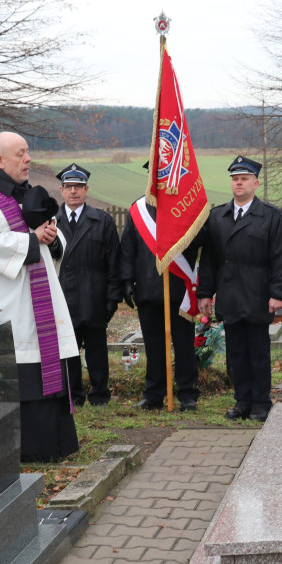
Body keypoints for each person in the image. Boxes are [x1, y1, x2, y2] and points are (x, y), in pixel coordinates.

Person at [0, 132, 79, 462]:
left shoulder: (27, 194)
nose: (28, 159)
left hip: (35, 302)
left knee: (42, 372)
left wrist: (50, 239)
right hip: (0, 305)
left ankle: (51, 445)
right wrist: (32, 239)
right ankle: (16, 451)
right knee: (15, 377)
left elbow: (50, 240)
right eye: (20, 154)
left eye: (27, 152)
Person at [197, 156, 282, 422]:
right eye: (235, 179)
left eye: (244, 179)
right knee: (236, 352)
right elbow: (209, 259)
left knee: (258, 352)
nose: (239, 183)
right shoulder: (217, 216)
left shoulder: (271, 216)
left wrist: (278, 293)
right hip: (229, 293)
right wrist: (205, 292)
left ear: (255, 183)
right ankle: (242, 401)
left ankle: (261, 403)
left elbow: (280, 258)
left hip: (258, 293)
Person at [120, 163, 201, 411]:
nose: (158, 182)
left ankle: (187, 394)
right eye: (154, 177)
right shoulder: (137, 211)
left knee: (185, 346)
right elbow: (127, 249)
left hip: (180, 291)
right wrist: (126, 281)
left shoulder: (185, 208)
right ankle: (154, 394)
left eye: (162, 177)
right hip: (147, 289)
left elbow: (199, 242)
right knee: (154, 346)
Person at [53, 163, 122, 407]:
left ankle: (100, 395)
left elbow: (114, 262)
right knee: (68, 350)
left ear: (87, 190)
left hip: (94, 295)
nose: (74, 191)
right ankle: (73, 395)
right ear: (61, 190)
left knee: (96, 350)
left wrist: (113, 298)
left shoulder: (101, 220)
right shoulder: (51, 222)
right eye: (69, 186)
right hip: (63, 296)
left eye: (79, 187)